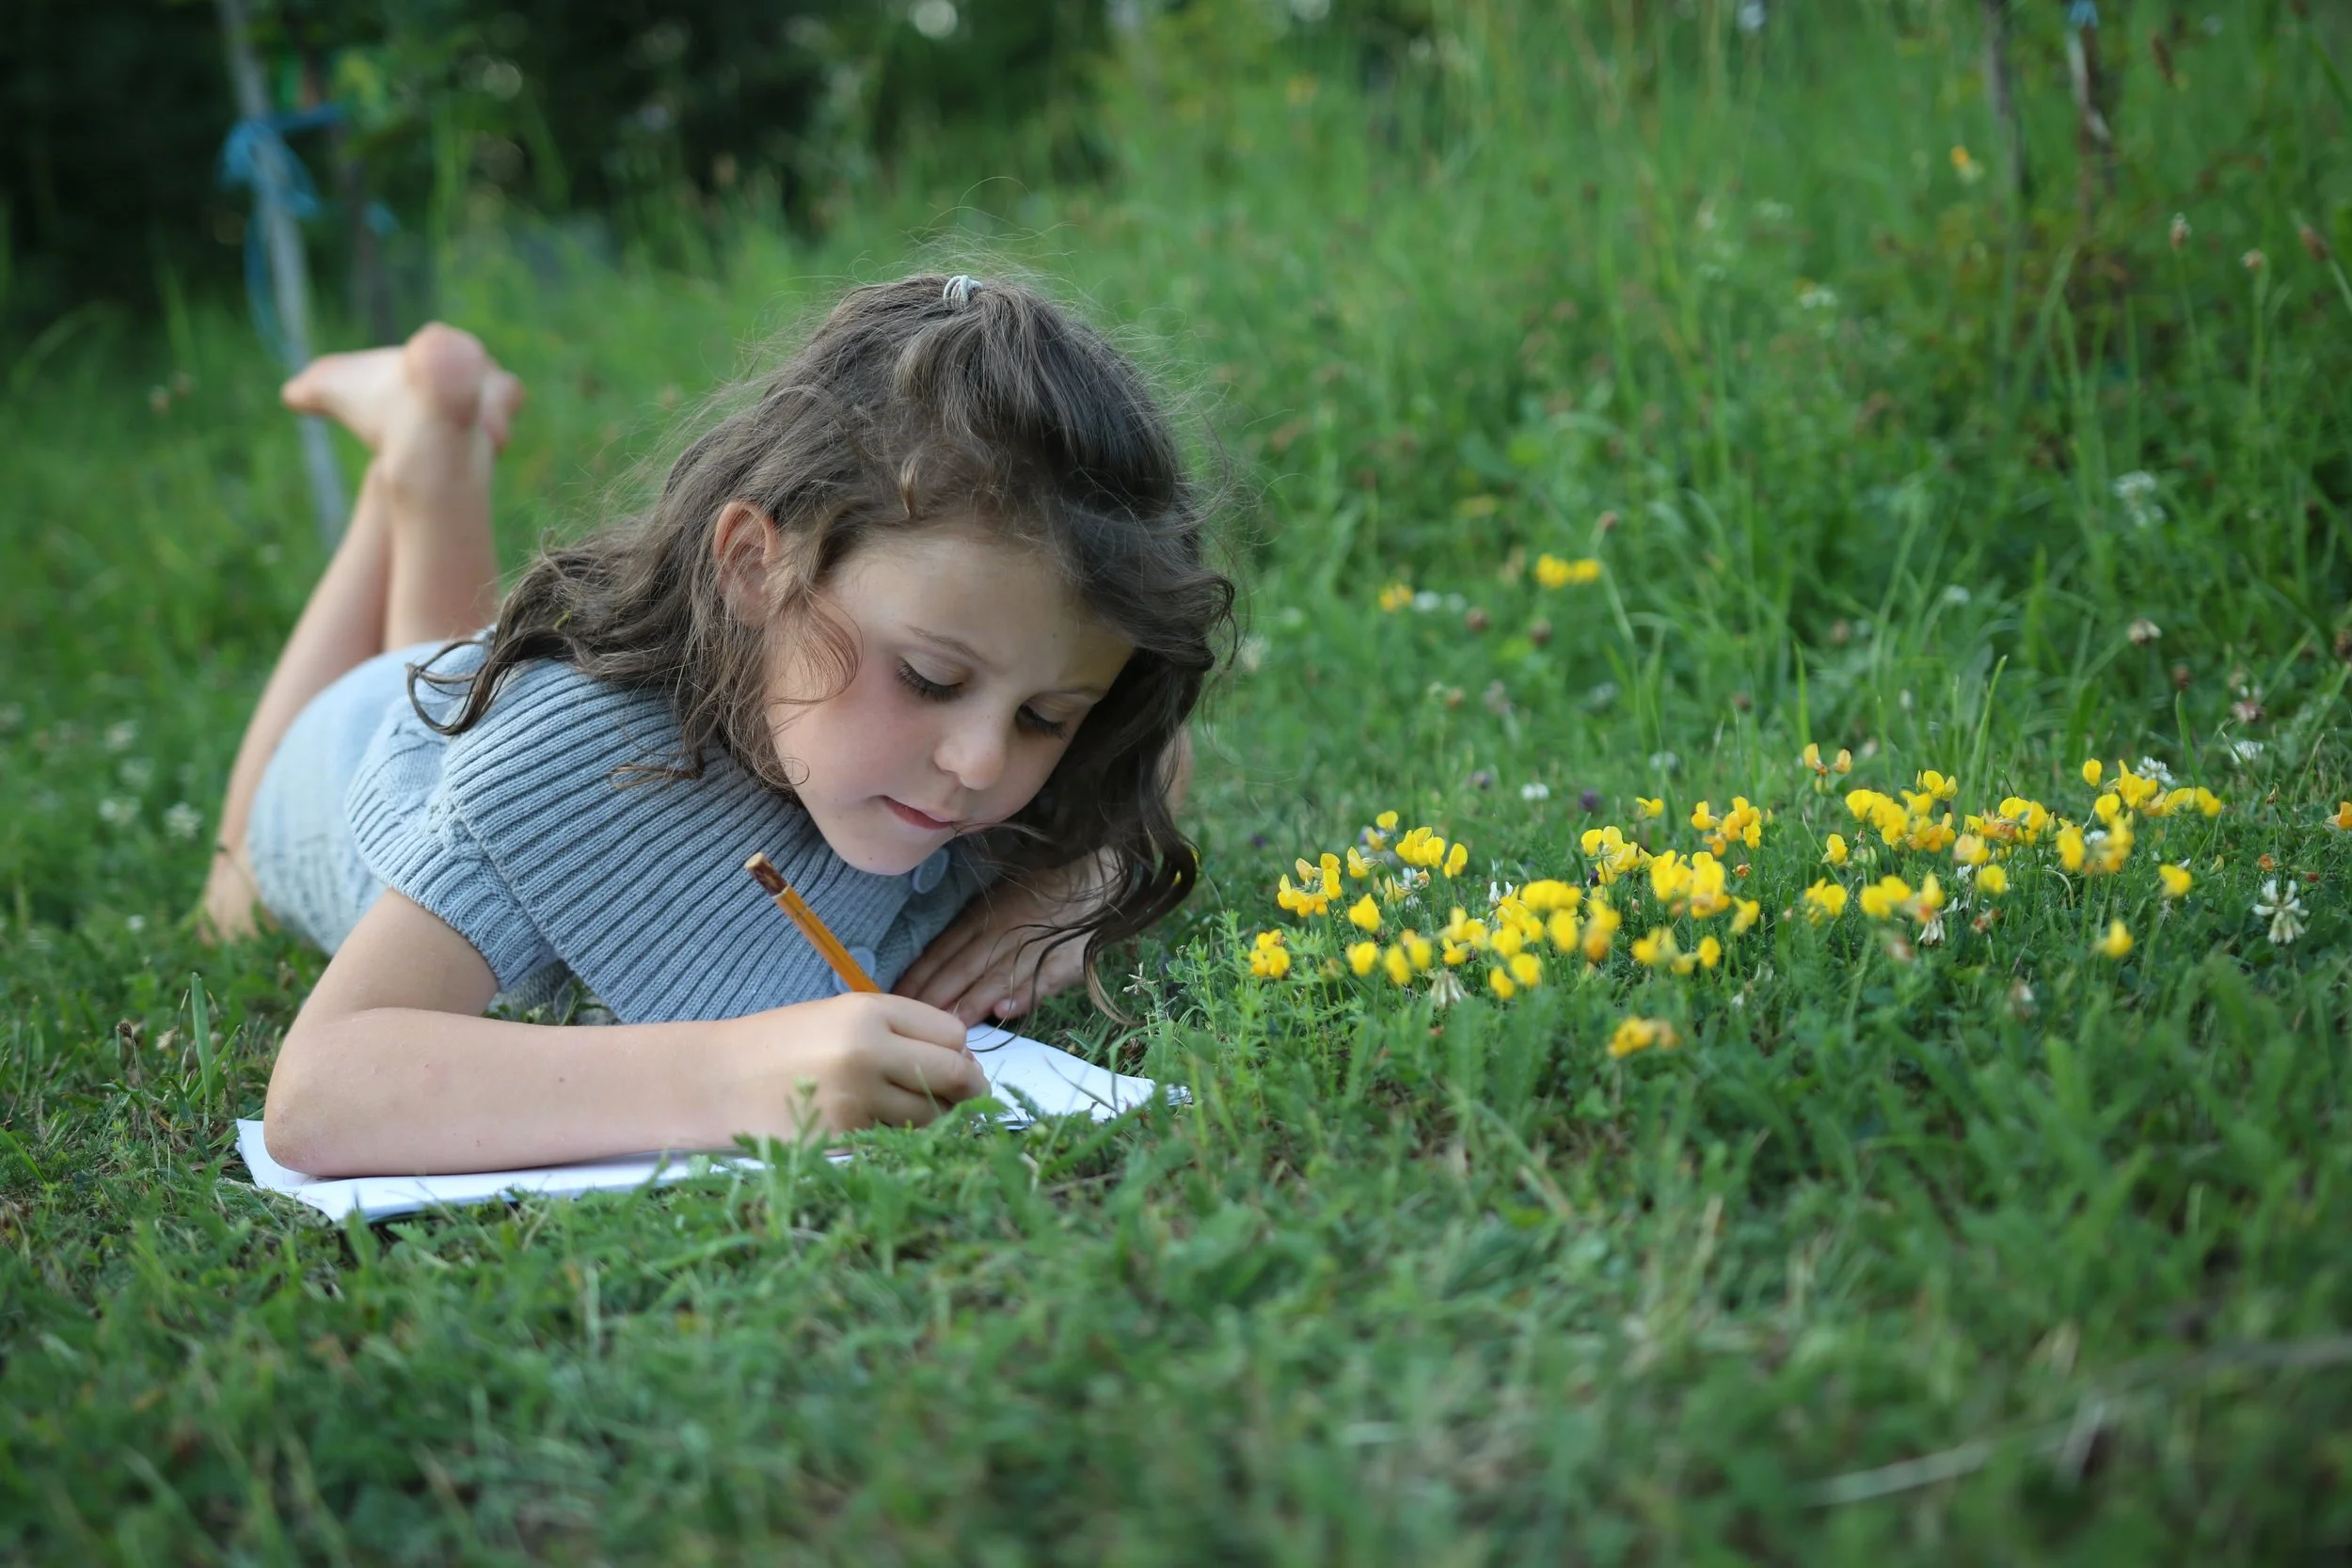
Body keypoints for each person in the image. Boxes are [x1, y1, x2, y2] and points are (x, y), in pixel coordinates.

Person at [201, 274, 1232, 1179]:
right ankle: (421, 462)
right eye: (925, 677)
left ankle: (434, 442)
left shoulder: (994, 714)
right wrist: (737, 1075)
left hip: (481, 706)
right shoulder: (569, 768)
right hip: (348, 767)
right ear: (753, 567)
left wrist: (1061, 891)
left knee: (441, 649)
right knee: (239, 885)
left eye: (1047, 717)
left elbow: (1160, 757)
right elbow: (321, 1092)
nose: (979, 761)